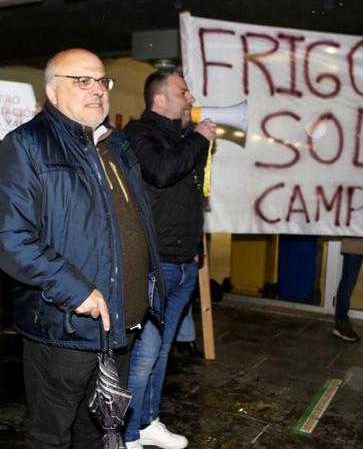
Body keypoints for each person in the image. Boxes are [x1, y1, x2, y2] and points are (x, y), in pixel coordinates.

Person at [0, 48, 164, 448]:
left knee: (98, 431)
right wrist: (75, 290)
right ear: (52, 90)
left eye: (102, 81)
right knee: (51, 435)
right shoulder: (27, 145)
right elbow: (8, 238)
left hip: (120, 323)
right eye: (82, 81)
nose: (97, 90)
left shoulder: (116, 146)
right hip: (65, 325)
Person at [122, 69, 216, 449]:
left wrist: (197, 250)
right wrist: (197, 138)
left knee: (161, 352)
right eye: (183, 91)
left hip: (183, 263)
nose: (191, 98)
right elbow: (161, 173)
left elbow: (191, 197)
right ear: (160, 99)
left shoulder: (181, 138)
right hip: (154, 264)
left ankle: (148, 422)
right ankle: (125, 434)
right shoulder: (138, 134)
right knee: (144, 354)